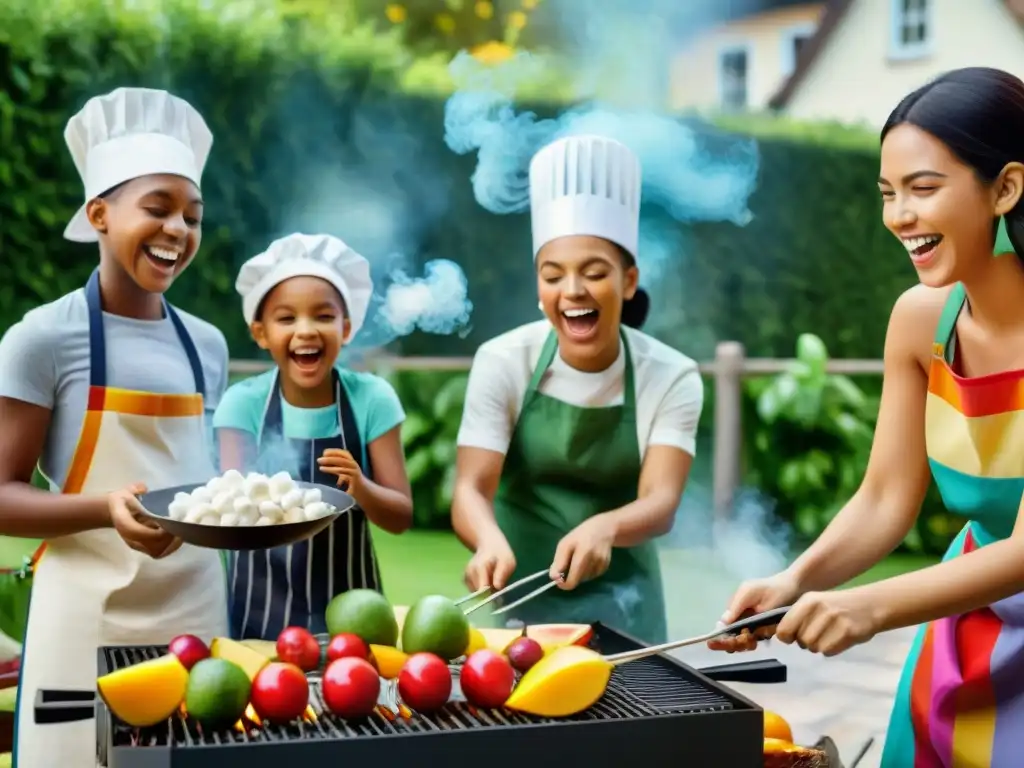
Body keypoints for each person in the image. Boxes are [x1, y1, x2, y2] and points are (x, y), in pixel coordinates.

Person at [709, 67, 1024, 768]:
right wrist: (798, 580)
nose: (899, 217)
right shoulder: (919, 323)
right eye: (888, 193)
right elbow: (886, 497)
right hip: (963, 642)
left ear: (1005, 187)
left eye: (923, 187)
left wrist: (870, 609)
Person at [0, 87, 230, 767]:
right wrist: (104, 509)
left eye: (192, 215)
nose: (178, 231)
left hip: (196, 617)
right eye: (156, 209)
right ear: (98, 214)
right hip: (85, 618)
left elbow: (197, 480)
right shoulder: (43, 338)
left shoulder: (208, 345)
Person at [451, 134, 704, 644]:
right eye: (553, 276)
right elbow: (470, 489)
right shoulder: (503, 361)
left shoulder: (671, 375)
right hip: (521, 603)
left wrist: (604, 528)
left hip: (629, 607)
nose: (572, 291)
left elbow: (661, 500)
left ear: (628, 281)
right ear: (539, 286)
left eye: (593, 273)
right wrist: (486, 540)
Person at [213, 233, 412, 639]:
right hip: (257, 618)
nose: (306, 331)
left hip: (355, 622)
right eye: (286, 318)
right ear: (261, 333)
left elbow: (400, 517)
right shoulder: (242, 404)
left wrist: (361, 488)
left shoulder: (371, 399)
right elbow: (229, 517)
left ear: (347, 327)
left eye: (323, 316)